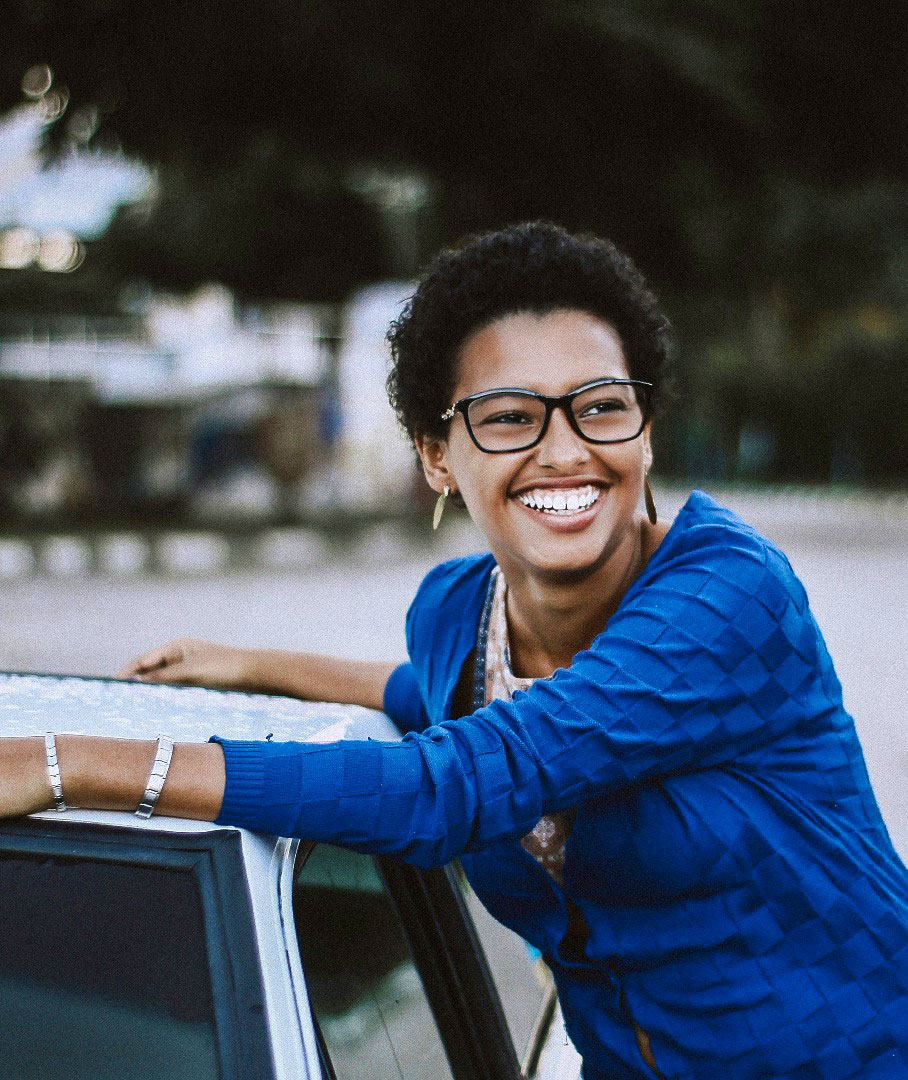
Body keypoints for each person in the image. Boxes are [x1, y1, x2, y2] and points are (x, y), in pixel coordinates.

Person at [3, 222, 907, 1079]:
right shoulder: (454, 617)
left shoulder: (729, 598)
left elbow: (459, 781)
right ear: (437, 454)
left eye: (601, 408)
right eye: (510, 416)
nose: (565, 451)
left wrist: (67, 763)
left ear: (645, 426)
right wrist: (249, 663)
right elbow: (441, 697)